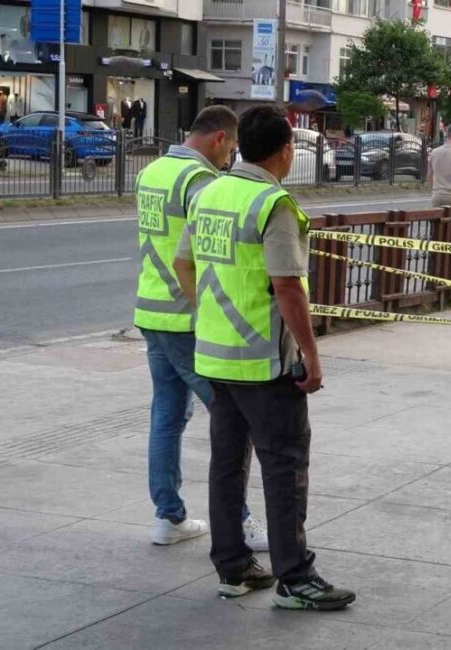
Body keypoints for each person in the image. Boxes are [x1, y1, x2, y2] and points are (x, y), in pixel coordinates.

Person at [173, 105, 356, 611]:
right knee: (284, 466)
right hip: (263, 363)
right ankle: (295, 577)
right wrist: (311, 354)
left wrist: (208, 313)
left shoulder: (210, 192)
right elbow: (286, 287)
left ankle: (233, 568)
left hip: (213, 357)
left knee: (226, 465)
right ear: (284, 151)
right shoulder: (273, 204)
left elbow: (182, 262)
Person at [134, 105, 267, 552]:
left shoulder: (151, 171)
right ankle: (241, 522)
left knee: (166, 417)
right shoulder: (199, 181)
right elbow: (204, 253)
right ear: (219, 140)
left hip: (151, 312)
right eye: (231, 148)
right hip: (187, 317)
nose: (231, 157)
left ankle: (168, 516)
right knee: (232, 422)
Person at [428, 122, 451, 208]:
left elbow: (429, 175)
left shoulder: (434, 152)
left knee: (437, 221)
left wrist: (435, 188)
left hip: (437, 195)